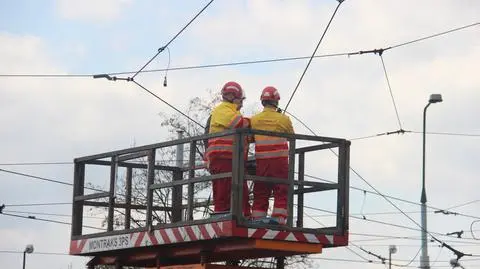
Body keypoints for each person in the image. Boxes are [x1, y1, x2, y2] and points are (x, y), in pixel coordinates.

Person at [205, 81, 251, 217]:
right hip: (222, 158)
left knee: (240, 191)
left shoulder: (230, 111)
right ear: (232, 97)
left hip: (232, 159)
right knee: (223, 191)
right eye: (240, 100)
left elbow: (244, 133)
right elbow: (239, 124)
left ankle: (243, 216)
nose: (242, 103)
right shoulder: (222, 110)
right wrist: (254, 123)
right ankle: (222, 216)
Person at [250, 86, 294, 225]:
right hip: (279, 162)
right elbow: (291, 136)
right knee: (282, 190)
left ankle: (257, 219)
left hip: (262, 163)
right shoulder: (284, 119)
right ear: (276, 102)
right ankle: (279, 220)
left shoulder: (254, 120)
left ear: (262, 102)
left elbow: (250, 138)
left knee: (261, 191)